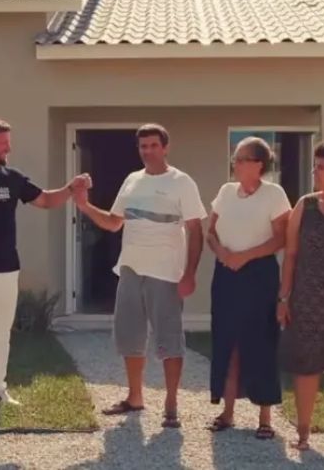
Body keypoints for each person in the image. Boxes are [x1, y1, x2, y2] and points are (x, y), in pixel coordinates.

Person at [0, 117, 90, 409]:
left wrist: (71, 188)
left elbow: (45, 200)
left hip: (7, 267)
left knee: (1, 334)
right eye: (3, 143)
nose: (8, 149)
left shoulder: (12, 178)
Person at [73, 123, 205, 429]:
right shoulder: (132, 180)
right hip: (130, 268)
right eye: (143, 146)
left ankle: (171, 404)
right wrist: (84, 205)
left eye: (154, 145)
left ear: (165, 147)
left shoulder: (181, 182)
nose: (148, 151)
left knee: (169, 338)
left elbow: (195, 231)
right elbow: (113, 222)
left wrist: (189, 274)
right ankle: (135, 397)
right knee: (130, 336)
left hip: (166, 272)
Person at [206, 136, 291, 440]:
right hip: (226, 273)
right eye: (235, 158)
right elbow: (210, 232)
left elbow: (281, 238)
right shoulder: (226, 192)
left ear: (258, 164)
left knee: (261, 342)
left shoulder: (274, 194)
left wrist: (245, 256)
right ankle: (227, 412)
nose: (236, 163)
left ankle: (265, 418)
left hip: (259, 274)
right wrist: (223, 254)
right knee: (227, 341)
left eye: (242, 159)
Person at [277, 141, 324, 451]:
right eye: (314, 166)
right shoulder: (305, 206)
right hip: (308, 301)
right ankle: (303, 433)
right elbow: (291, 254)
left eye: (321, 167)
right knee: (306, 366)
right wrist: (284, 298)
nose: (314, 172)